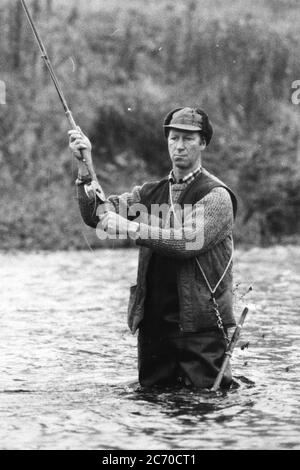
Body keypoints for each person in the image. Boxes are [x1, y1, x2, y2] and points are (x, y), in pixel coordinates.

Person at [69, 107, 237, 389]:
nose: (180, 146)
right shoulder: (148, 194)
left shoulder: (217, 196)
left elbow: (187, 241)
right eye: (174, 138)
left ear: (203, 143)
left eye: (188, 139)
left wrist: (130, 227)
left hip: (199, 328)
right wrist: (86, 168)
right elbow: (96, 215)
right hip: (154, 327)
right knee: (151, 407)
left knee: (205, 409)